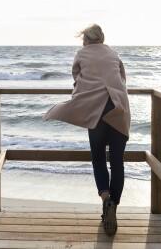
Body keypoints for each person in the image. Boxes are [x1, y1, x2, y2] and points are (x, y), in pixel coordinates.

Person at [42, 24, 131, 236]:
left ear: (86, 40)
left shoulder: (81, 54)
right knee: (117, 161)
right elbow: (123, 79)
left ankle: (106, 199)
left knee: (98, 158)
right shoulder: (113, 53)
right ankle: (113, 206)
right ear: (102, 38)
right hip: (118, 108)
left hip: (96, 111)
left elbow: (76, 78)